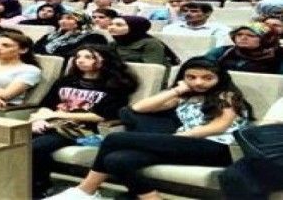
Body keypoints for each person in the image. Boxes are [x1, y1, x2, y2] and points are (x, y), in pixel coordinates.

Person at [50, 57, 249, 200]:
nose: (198, 82)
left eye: (207, 78)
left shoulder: (226, 95)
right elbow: (138, 108)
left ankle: (85, 190)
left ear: (219, 78)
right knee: (116, 160)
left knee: (114, 139)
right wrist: (177, 90)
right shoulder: (184, 96)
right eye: (191, 77)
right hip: (186, 145)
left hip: (218, 148)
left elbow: (219, 126)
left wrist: (182, 136)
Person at [31, 45, 139, 198]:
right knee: (16, 142)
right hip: (52, 124)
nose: (80, 61)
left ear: (104, 60)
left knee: (36, 147)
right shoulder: (66, 81)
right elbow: (46, 105)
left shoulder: (114, 85)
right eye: (78, 57)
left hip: (83, 130)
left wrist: (57, 115)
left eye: (88, 57)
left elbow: (103, 116)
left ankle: (39, 188)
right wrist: (39, 119)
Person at [205, 23, 283, 74]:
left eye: (251, 35)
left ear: (265, 39)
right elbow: (202, 66)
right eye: (239, 35)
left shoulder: (279, 55)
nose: (243, 38)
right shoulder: (222, 51)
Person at [33, 11, 107, 60]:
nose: (63, 21)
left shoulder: (94, 37)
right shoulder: (50, 36)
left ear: (81, 22)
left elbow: (75, 55)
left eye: (69, 18)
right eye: (61, 18)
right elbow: (34, 49)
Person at [162, 2, 231, 45]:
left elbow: (219, 49)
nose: (188, 13)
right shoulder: (171, 28)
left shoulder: (220, 30)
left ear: (207, 13)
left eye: (194, 11)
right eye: (185, 11)